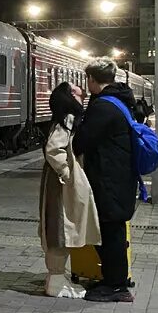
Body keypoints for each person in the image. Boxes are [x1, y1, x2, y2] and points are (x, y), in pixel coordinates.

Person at [72, 58, 139, 303]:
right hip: (119, 177)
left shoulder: (103, 107)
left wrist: (77, 113)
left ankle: (117, 286)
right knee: (113, 230)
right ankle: (113, 280)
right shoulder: (120, 100)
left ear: (91, 79)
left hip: (109, 179)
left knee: (110, 232)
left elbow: (81, 141)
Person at [38, 82, 100, 298]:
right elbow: (54, 149)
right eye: (75, 90)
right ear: (69, 97)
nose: (81, 92)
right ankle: (55, 279)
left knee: (63, 225)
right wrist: (66, 173)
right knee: (61, 226)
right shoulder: (67, 119)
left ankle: (57, 276)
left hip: (59, 180)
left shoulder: (65, 119)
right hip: (60, 183)